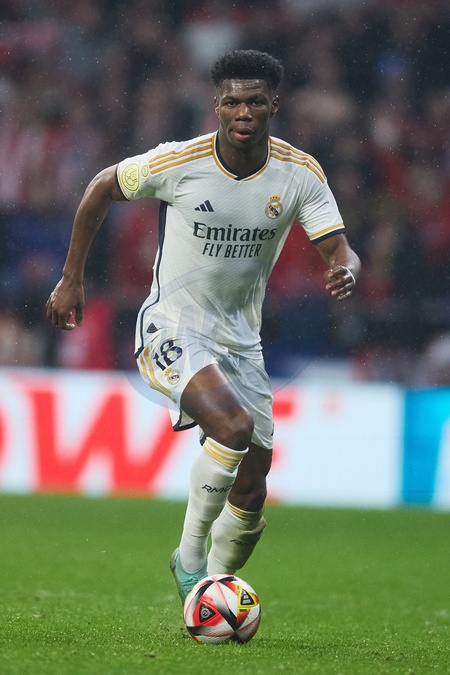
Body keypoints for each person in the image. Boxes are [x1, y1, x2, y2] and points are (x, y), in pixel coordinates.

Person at [46, 49, 361, 604]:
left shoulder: (300, 173)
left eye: (255, 102)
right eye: (233, 102)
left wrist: (347, 270)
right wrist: (72, 278)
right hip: (171, 326)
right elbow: (100, 186)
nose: (244, 112)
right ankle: (190, 562)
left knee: (252, 490)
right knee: (233, 428)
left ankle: (212, 590)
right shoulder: (180, 162)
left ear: (274, 105)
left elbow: (340, 249)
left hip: (242, 342)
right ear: (216, 105)